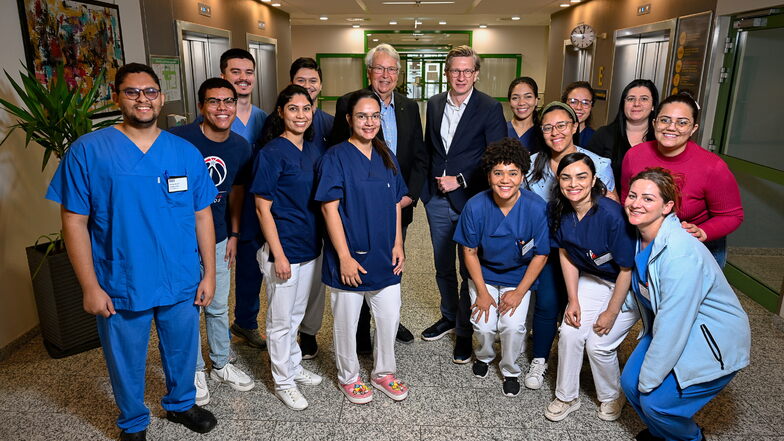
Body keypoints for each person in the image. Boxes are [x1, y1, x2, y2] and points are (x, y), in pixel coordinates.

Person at [46, 63, 218, 440]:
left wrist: (209, 273)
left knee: (182, 350)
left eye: (151, 92)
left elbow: (202, 214)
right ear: (117, 97)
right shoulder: (88, 151)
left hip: (180, 276)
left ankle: (181, 404)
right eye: (133, 92)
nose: (143, 99)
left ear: (161, 96)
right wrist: (89, 286)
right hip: (121, 277)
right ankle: (133, 422)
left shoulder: (184, 152)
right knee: (125, 359)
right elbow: (74, 221)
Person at [621, 167, 750, 441]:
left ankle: (691, 438)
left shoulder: (680, 253)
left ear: (667, 206)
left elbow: (673, 324)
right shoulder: (639, 236)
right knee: (630, 385)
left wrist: (650, 382)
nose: (636, 204)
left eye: (648, 198)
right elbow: (645, 292)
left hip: (711, 338)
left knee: (657, 404)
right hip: (673, 326)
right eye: (632, 195)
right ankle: (664, 435)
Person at [329, 43, 427, 349]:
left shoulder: (409, 107)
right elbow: (338, 152)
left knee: (391, 261)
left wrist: (408, 195)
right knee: (360, 265)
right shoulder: (350, 102)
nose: (385, 75)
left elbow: (420, 156)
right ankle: (360, 332)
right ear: (369, 71)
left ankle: (388, 322)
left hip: (399, 204)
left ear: (398, 74)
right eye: (379, 68)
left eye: (391, 69)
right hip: (359, 207)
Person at [315, 90, 409, 404]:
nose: (369, 122)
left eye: (374, 116)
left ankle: (383, 373)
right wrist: (343, 257)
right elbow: (329, 209)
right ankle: (349, 377)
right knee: (346, 324)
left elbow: (396, 202)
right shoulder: (336, 157)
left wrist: (398, 243)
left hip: (386, 255)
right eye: (362, 116)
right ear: (349, 119)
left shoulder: (386, 154)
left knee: (388, 318)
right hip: (350, 256)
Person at [169, 78, 255, 406]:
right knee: (189, 307)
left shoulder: (240, 147)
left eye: (228, 101)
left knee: (218, 305)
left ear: (236, 105)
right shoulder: (179, 139)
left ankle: (221, 362)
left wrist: (233, 235)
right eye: (214, 102)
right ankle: (194, 369)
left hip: (218, 237)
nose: (222, 108)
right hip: (179, 241)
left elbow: (237, 193)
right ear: (201, 107)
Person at [420, 45, 507, 364]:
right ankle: (448, 315)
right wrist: (426, 191)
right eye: (455, 70)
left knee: (468, 267)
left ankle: (464, 330)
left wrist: (461, 179)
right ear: (446, 73)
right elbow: (431, 148)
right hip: (436, 200)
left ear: (476, 74)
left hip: (472, 200)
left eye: (467, 71)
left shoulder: (489, 107)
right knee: (442, 265)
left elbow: (494, 155)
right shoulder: (433, 103)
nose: (461, 76)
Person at [523, 101, 616, 391]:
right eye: (548, 127)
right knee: (548, 303)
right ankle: (539, 358)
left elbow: (610, 209)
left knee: (577, 308)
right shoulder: (531, 163)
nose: (555, 132)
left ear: (575, 126)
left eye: (562, 125)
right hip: (550, 248)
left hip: (588, 253)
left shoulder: (598, 164)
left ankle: (575, 360)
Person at [543, 153, 639, 422]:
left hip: (626, 286)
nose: (574, 183)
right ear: (558, 181)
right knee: (570, 333)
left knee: (598, 345)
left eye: (581, 176)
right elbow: (566, 253)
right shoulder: (558, 210)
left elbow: (626, 269)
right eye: (566, 177)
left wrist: (610, 311)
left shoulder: (612, 215)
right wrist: (572, 299)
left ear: (594, 179)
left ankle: (612, 395)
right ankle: (566, 396)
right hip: (591, 279)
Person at [453, 138, 549, 397]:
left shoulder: (536, 208)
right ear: (488, 176)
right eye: (498, 173)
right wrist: (482, 293)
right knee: (483, 326)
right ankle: (484, 356)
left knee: (512, 326)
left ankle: (509, 369)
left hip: (519, 277)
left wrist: (519, 293)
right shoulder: (475, 206)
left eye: (512, 173)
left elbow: (541, 254)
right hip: (483, 275)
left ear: (522, 175)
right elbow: (469, 251)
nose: (505, 180)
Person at [251, 85, 324, 410]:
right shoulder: (271, 153)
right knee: (280, 322)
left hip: (310, 247)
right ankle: (282, 381)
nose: (300, 115)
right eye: (293, 108)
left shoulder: (312, 150)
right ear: (281, 112)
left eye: (306, 109)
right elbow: (262, 208)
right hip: (284, 251)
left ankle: (293, 367)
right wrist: (279, 254)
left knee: (295, 316)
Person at [620, 93, 743, 267]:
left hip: (696, 246)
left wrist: (703, 231)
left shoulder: (712, 167)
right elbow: (626, 197)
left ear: (693, 129)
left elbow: (732, 215)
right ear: (654, 123)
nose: (671, 127)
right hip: (644, 240)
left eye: (682, 122)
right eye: (665, 120)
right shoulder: (634, 155)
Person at [219, 48, 271, 350]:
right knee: (217, 271)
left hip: (252, 207)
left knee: (252, 269)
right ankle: (216, 337)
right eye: (235, 72)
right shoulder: (215, 116)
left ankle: (246, 322)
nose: (243, 78)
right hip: (217, 209)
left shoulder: (263, 119)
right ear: (223, 75)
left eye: (248, 72)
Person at [289, 57, 333, 359]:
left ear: (320, 86)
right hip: (289, 213)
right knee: (288, 278)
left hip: (321, 211)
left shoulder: (329, 123)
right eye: (301, 81)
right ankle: (285, 330)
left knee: (316, 276)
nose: (307, 86)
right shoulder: (279, 121)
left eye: (312, 81)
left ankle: (308, 331)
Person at [586, 79, 658, 186]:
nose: (636, 104)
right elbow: (586, 171)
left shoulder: (661, 139)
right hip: (608, 200)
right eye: (630, 99)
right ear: (623, 104)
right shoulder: (604, 135)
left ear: (653, 105)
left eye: (644, 99)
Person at [506, 77, 545, 154]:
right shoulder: (500, 130)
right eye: (515, 98)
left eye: (528, 97)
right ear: (509, 102)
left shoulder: (544, 133)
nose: (521, 103)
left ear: (536, 100)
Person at [562, 81, 596, 147]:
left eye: (585, 103)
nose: (579, 107)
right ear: (564, 104)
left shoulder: (596, 140)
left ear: (591, 106)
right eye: (573, 102)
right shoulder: (554, 135)